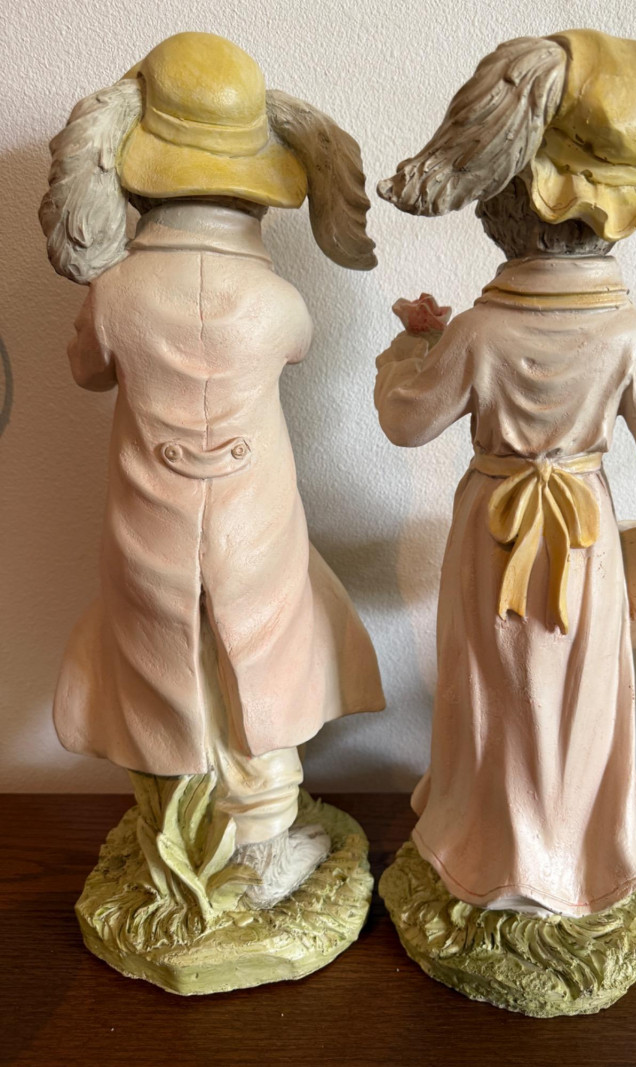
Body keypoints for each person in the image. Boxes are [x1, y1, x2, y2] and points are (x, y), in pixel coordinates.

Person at [375, 29, 636, 917]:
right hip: (583, 527)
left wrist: (410, 348)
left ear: (501, 201)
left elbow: (406, 420)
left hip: (492, 527)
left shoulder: (478, 330)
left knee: (494, 686)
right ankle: (571, 848)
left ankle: (492, 840)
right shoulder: (630, 335)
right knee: (578, 691)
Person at [40, 32, 384, 907]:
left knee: (165, 664)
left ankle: (185, 824)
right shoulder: (278, 302)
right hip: (253, 518)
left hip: (147, 519)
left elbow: (87, 370)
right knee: (258, 656)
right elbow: (295, 352)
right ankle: (258, 835)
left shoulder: (114, 295)